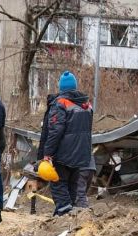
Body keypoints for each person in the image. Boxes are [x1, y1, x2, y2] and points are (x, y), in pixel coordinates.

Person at [41, 71, 93, 216]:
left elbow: (55, 130)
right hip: (82, 154)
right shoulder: (87, 105)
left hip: (64, 153)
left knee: (58, 183)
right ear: (75, 86)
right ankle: (68, 216)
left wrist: (48, 153)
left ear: (61, 87)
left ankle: (63, 214)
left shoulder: (60, 103)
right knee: (72, 185)